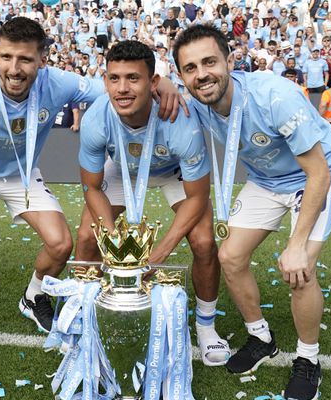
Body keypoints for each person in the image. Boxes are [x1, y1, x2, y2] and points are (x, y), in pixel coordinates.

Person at [0, 17, 183, 378]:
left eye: (25, 59)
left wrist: (162, 81)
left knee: (61, 244)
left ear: (42, 59)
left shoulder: (58, 82)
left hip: (20, 174)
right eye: (6, 57)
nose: (14, 68)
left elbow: (117, 87)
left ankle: (33, 296)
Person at [174, 24, 331, 400]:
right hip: (266, 180)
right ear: (181, 75)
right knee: (230, 257)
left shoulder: (274, 96)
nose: (201, 74)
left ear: (230, 61)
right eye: (190, 68)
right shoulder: (196, 100)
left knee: (299, 271)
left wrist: (298, 243)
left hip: (312, 175)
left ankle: (308, 359)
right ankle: (261, 338)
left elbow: (318, 172)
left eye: (209, 62)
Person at [76, 40, 231, 367]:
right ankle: (82, 316)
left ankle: (206, 326)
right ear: (104, 81)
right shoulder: (95, 119)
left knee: (203, 242)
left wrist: (156, 257)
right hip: (122, 171)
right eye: (114, 78)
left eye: (133, 78)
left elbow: (198, 197)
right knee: (88, 238)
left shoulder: (181, 120)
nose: (122, 88)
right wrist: (111, 241)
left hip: (172, 170)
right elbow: (91, 187)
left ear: (154, 82)